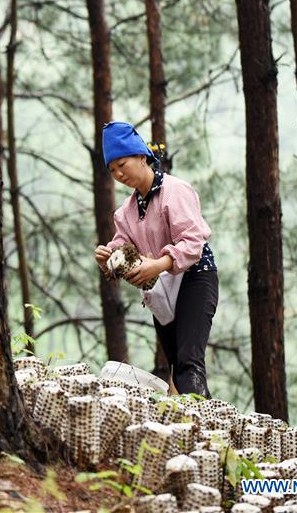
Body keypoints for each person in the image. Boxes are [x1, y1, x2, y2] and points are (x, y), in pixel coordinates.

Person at [93, 121, 218, 397]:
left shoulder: (176, 191)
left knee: (189, 362)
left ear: (141, 156)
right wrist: (108, 256)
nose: (117, 173)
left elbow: (193, 241)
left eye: (122, 164)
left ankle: (201, 429)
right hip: (162, 289)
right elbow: (122, 246)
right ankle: (200, 425)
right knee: (177, 366)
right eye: (112, 170)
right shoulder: (125, 212)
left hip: (195, 276)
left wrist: (158, 264)